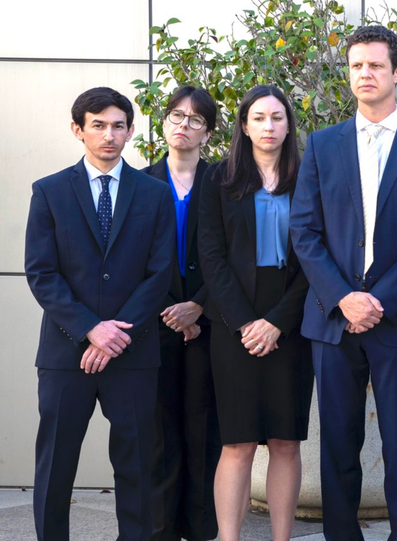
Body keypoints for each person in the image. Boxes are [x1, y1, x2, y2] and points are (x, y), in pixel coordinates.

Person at [291, 25, 397, 541]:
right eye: (357, 65)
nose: (365, 73)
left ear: (396, 73)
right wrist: (344, 298)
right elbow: (304, 231)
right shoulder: (320, 145)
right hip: (333, 320)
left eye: (376, 65)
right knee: (338, 443)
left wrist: (377, 301)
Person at [25, 87, 177, 541]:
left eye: (118, 125)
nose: (109, 134)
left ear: (130, 131)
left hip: (132, 353)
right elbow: (42, 273)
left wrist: (116, 335)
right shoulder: (50, 192)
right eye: (98, 124)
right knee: (56, 463)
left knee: (136, 464)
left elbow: (159, 273)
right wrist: (91, 329)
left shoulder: (154, 194)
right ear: (78, 130)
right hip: (65, 352)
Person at [198, 85, 313, 541]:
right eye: (260, 118)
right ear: (244, 125)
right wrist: (247, 323)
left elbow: (316, 259)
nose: (269, 126)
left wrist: (278, 322)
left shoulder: (309, 177)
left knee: (286, 440)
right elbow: (212, 257)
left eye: (278, 118)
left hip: (292, 319)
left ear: (289, 125)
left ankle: (281, 538)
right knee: (238, 442)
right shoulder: (218, 179)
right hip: (233, 322)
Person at [142, 85, 223, 541]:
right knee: (159, 433)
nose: (183, 126)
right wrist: (170, 311)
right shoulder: (142, 182)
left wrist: (200, 306)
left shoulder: (225, 183)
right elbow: (128, 262)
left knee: (204, 428)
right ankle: (161, 530)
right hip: (154, 327)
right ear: (164, 122)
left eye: (195, 120)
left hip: (210, 326)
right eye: (176, 116)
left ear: (207, 132)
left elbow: (237, 257)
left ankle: (201, 527)